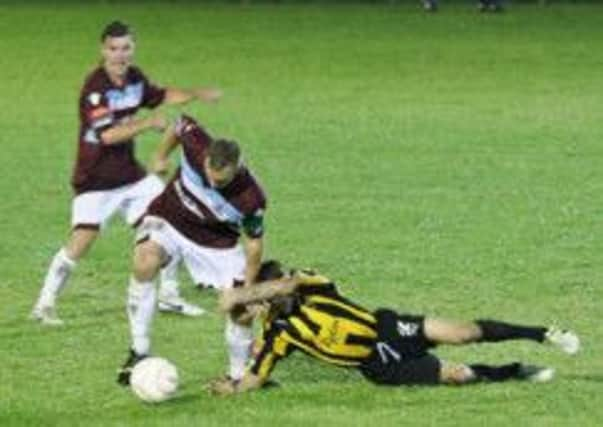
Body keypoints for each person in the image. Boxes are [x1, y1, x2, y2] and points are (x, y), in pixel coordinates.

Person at [30, 21, 220, 326]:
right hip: (95, 180)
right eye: (114, 49)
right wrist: (146, 124)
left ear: (133, 49)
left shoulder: (134, 78)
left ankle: (169, 295)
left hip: (131, 176)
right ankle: (45, 304)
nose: (121, 55)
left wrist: (195, 93)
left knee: (173, 218)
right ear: (103, 50)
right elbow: (106, 136)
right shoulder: (95, 89)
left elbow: (160, 95)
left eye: (126, 48)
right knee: (82, 240)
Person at [210, 260, 580, 395]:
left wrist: (246, 292)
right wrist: (231, 387)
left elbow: (289, 284)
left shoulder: (308, 284)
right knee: (459, 375)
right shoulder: (279, 334)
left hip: (387, 327)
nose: (284, 283)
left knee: (463, 332)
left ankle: (543, 333)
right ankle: (515, 372)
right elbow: (256, 378)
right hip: (380, 367)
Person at [116, 114, 267, 386]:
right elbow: (178, 123)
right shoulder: (197, 143)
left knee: (241, 309)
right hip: (170, 220)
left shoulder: (250, 197)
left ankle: (237, 374)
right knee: (144, 261)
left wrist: (249, 287)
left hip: (216, 243)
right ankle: (139, 352)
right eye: (208, 175)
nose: (212, 183)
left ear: (237, 168)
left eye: (220, 182)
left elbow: (254, 245)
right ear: (206, 158)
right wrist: (161, 156)